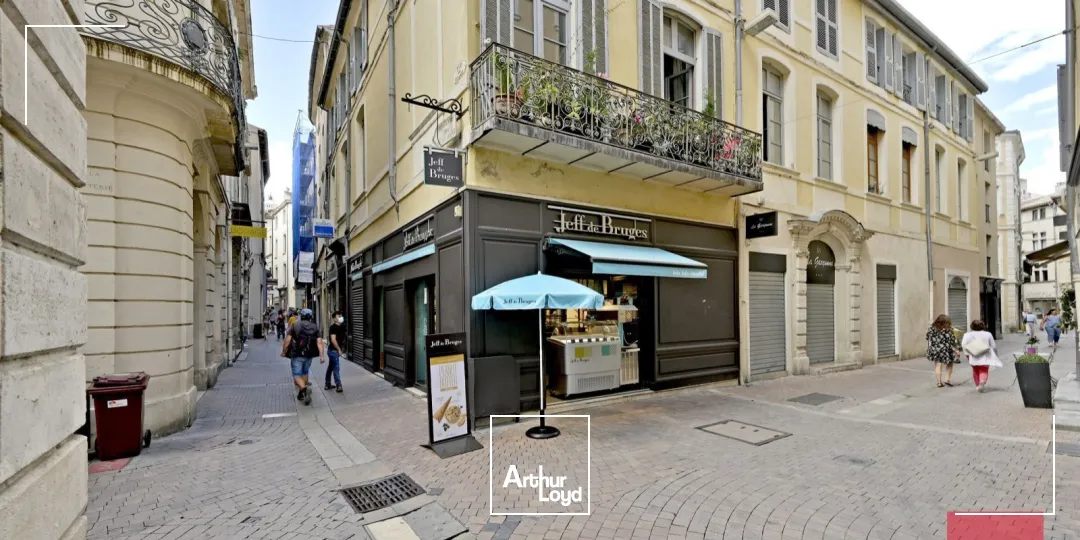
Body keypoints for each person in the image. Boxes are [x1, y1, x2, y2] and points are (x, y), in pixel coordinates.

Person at [282, 308, 325, 405]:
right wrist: (322, 356)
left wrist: (284, 351)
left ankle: (304, 389)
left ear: (302, 315)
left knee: (297, 375)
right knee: (305, 372)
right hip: (309, 354)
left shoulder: (295, 325)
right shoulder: (315, 327)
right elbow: (319, 342)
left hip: (297, 353)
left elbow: (287, 340)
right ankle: (302, 392)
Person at [962, 319, 1002, 393]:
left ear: (972, 326)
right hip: (985, 354)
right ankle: (982, 382)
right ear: (983, 326)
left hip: (973, 355)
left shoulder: (967, 335)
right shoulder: (988, 334)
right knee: (984, 369)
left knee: (975, 370)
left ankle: (977, 385)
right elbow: (993, 346)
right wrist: (995, 355)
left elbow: (964, 345)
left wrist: (967, 355)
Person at [926, 315, 960, 388]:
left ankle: (939, 382)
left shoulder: (931, 328)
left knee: (938, 365)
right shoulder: (948, 330)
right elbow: (951, 341)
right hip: (945, 350)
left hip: (935, 349)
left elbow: (927, 337)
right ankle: (947, 380)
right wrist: (955, 350)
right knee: (950, 363)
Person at [326, 311, 346, 393]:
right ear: (334, 318)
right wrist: (339, 349)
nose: (341, 317)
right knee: (336, 368)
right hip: (333, 351)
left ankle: (327, 384)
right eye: (339, 316)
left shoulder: (342, 326)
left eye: (341, 316)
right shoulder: (333, 327)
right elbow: (333, 340)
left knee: (331, 367)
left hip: (335, 350)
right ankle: (338, 385)